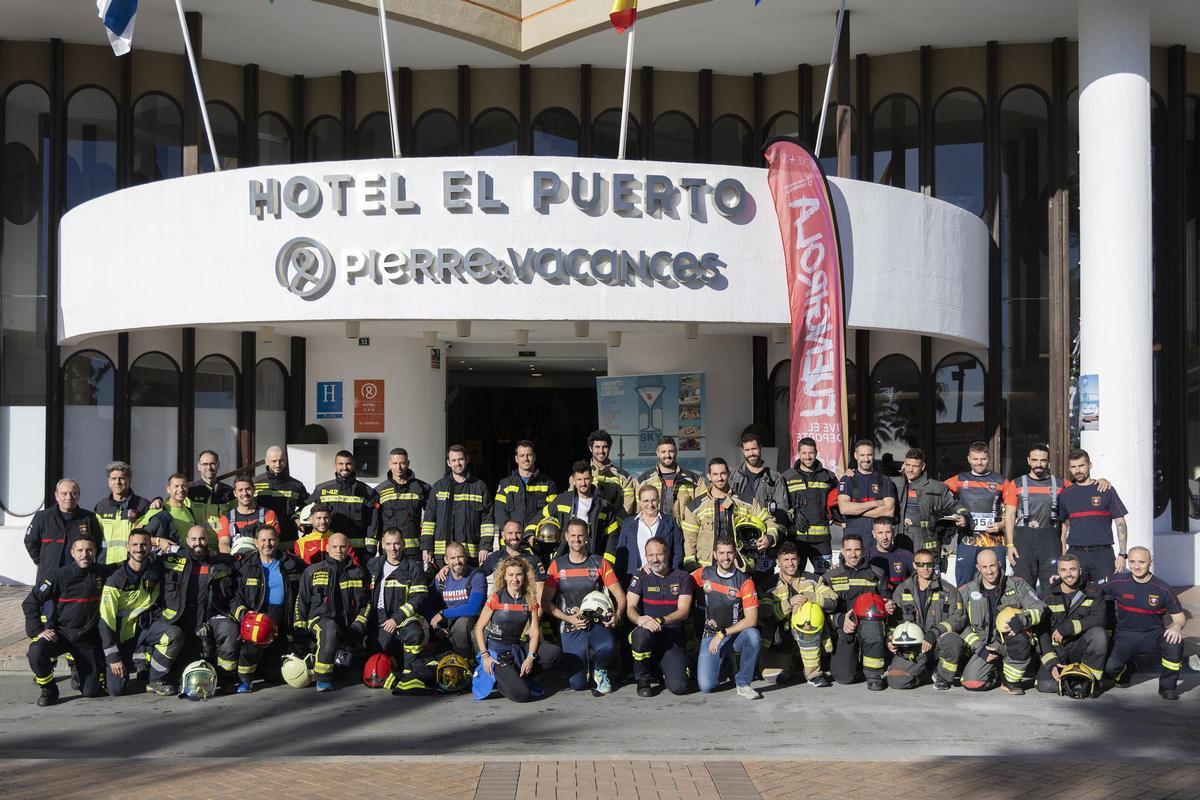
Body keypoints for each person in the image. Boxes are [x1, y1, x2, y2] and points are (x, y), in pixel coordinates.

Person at [543, 518, 626, 695]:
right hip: (571, 626)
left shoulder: (599, 562)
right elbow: (545, 602)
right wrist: (567, 618)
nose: (576, 539)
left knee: (609, 646)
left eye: (581, 535)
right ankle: (585, 661)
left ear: (587, 537)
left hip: (596, 623)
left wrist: (617, 616)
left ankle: (600, 668)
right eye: (572, 535)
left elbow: (620, 595)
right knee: (578, 685)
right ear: (566, 537)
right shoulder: (557, 565)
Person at [23, 534, 106, 706]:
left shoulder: (103, 572)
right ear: (73, 553)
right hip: (61, 634)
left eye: (89, 550)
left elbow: (130, 567)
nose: (85, 554)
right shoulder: (58, 576)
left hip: (87, 639)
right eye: (80, 550)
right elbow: (30, 602)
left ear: (95, 551)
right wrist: (38, 630)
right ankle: (49, 689)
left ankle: (79, 670)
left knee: (91, 692)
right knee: (36, 652)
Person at [158, 525, 240, 688]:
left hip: (211, 616)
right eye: (194, 539)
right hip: (182, 617)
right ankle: (158, 675)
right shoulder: (174, 561)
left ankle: (227, 677)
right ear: (187, 541)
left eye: (202, 539)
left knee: (229, 630)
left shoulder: (220, 562)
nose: (198, 543)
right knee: (185, 666)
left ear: (208, 540)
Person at [1099, 546, 1185, 701]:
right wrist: (1059, 580)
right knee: (1111, 669)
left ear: (1150, 563)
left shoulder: (1163, 588)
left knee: (1174, 642)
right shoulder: (1117, 581)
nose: (1136, 566)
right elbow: (1091, 587)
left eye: (1141, 562)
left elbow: (1179, 617)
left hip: (1153, 635)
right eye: (1132, 562)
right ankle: (1127, 671)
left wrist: (1176, 627)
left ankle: (1167, 687)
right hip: (1125, 636)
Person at [959, 548, 1046, 695]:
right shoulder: (967, 591)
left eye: (992, 565)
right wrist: (979, 648)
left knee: (1020, 639)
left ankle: (1010, 681)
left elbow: (1041, 608)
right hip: (985, 647)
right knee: (972, 682)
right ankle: (997, 672)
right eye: (984, 567)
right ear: (977, 568)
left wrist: (1022, 620)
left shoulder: (1017, 584)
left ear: (999, 564)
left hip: (1011, 642)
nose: (989, 571)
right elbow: (959, 623)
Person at [473, 555, 560, 702]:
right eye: (511, 575)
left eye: (519, 574)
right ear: (504, 577)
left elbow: (534, 632)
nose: (515, 579)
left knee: (554, 652)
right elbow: (479, 629)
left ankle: (525, 674)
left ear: (524, 576)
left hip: (516, 649)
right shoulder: (495, 597)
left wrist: (530, 657)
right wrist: (485, 656)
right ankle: (498, 679)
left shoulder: (530, 599)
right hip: (496, 655)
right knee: (522, 695)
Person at [230, 523, 305, 692]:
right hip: (256, 617)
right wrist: (243, 614)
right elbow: (234, 596)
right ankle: (245, 681)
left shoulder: (292, 563)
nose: (267, 544)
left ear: (277, 541)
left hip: (283, 617)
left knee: (274, 676)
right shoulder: (246, 566)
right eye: (263, 540)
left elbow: (305, 590)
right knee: (249, 650)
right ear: (256, 543)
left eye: (271, 539)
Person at [295, 533, 370, 691]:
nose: (339, 550)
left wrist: (358, 625)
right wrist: (300, 630)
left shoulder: (359, 573)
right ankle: (322, 679)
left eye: (342, 546)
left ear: (348, 548)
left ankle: (330, 663)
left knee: (340, 674)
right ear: (327, 548)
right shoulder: (312, 571)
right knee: (330, 629)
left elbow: (367, 603)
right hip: (319, 621)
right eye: (334, 547)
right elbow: (301, 601)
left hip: (349, 628)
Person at [99, 528, 169, 696]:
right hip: (122, 638)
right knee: (116, 690)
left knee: (174, 634)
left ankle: (154, 678)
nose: (139, 549)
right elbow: (105, 621)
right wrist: (113, 657)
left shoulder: (155, 570)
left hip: (145, 630)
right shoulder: (116, 579)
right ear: (128, 547)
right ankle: (115, 665)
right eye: (135, 544)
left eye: (144, 544)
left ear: (150, 548)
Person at [682, 457, 778, 578]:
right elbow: (689, 540)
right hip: (706, 569)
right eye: (715, 474)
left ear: (728, 474)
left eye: (723, 473)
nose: (720, 478)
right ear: (709, 476)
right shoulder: (695, 506)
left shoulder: (746, 502)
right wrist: (692, 567)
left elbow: (769, 521)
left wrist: (769, 537)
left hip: (739, 568)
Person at [692, 536, 762, 699]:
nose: (726, 557)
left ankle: (743, 684)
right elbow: (680, 581)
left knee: (753, 635)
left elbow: (752, 620)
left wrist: (723, 633)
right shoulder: (704, 573)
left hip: (734, 636)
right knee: (706, 686)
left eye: (730, 553)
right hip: (710, 636)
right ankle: (726, 663)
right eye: (722, 553)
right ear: (715, 554)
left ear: (735, 554)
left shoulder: (744, 581)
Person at [887, 548, 966, 690]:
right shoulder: (902, 590)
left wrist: (934, 632)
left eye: (929, 564)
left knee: (953, 640)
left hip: (937, 644)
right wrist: (890, 638)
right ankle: (924, 675)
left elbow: (958, 618)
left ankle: (943, 676)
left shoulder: (948, 590)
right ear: (914, 565)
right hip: (913, 648)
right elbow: (894, 622)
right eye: (921, 564)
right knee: (896, 681)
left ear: (934, 565)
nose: (925, 568)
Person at [759, 542, 836, 687]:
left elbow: (832, 601)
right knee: (774, 678)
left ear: (799, 560)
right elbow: (765, 614)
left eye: (793, 559)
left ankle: (813, 674)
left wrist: (809, 596)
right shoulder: (768, 585)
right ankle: (791, 662)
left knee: (808, 610)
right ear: (778, 562)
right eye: (786, 560)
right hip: (780, 638)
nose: (790, 563)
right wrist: (789, 603)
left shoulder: (813, 579)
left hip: (809, 634)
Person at [821, 533, 891, 689]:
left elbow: (886, 599)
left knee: (872, 628)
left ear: (863, 550)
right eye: (849, 550)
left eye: (857, 550)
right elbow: (823, 611)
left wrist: (889, 606)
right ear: (842, 551)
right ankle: (856, 664)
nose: (853, 554)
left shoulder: (877, 574)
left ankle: (874, 675)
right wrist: (840, 620)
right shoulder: (829, 578)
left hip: (870, 626)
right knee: (844, 677)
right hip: (844, 629)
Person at [626, 536, 694, 697]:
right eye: (650, 555)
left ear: (667, 555)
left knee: (679, 687)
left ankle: (661, 668)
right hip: (649, 634)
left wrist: (661, 620)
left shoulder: (683, 577)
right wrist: (640, 619)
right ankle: (642, 678)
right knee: (640, 634)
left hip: (672, 638)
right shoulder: (640, 576)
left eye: (659, 554)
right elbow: (630, 607)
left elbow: (683, 612)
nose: (655, 559)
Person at [1035, 553, 1108, 694]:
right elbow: (1042, 632)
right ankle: (1073, 682)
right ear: (1058, 572)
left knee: (1099, 634)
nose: (1069, 574)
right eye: (1064, 570)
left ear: (1080, 571)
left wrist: (1069, 627)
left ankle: (1091, 681)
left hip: (1082, 646)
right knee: (1045, 685)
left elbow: (1100, 619)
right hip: (1058, 649)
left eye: (1073, 569)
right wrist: (1051, 663)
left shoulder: (1093, 591)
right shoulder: (1047, 595)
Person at [1004, 444, 1068, 594]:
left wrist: (1101, 481)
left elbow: (1082, 489)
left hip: (1051, 541)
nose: (1038, 464)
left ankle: (1051, 617)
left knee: (1053, 587)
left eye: (1043, 460)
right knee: (1024, 588)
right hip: (1023, 542)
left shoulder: (1062, 484)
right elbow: (1009, 516)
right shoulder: (1016, 484)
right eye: (1034, 460)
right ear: (1028, 461)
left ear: (1048, 462)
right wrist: (1009, 545)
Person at [367, 528, 431, 679]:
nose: (393, 548)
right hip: (380, 618)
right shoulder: (373, 565)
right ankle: (395, 661)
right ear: (382, 544)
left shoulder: (413, 568)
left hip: (404, 618)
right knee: (376, 654)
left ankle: (410, 670)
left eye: (396, 544)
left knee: (415, 634)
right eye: (389, 544)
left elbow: (418, 598)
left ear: (403, 544)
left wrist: (396, 618)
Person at [1059, 448, 1128, 583]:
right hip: (1076, 553)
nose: (1077, 470)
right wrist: (1063, 555)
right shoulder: (1065, 495)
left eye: (1081, 465)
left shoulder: (1105, 489)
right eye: (1073, 467)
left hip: (1103, 553)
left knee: (1107, 595)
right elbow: (1063, 527)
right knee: (1077, 597)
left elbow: (1120, 522)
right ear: (1069, 469)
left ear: (1090, 465)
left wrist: (1122, 554)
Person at [944, 441, 1006, 585]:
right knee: (965, 583)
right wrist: (957, 515)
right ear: (969, 459)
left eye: (983, 459)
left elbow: (1013, 508)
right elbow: (939, 493)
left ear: (989, 459)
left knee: (997, 581)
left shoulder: (1001, 480)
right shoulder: (959, 479)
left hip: (993, 539)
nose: (979, 463)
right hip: (967, 539)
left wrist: (1001, 524)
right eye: (975, 459)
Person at [423, 444, 495, 566]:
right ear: (448, 463)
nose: (458, 463)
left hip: (470, 554)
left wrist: (485, 546)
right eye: (454, 460)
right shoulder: (439, 487)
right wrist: (426, 546)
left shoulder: (479, 487)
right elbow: (429, 520)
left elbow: (487, 521)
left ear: (467, 459)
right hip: (443, 555)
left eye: (460, 459)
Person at [24, 478, 105, 584]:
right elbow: (30, 541)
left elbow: (97, 545)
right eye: (64, 493)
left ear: (79, 495)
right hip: (49, 577)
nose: (69, 497)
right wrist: (43, 562)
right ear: (56, 495)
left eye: (73, 493)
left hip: (79, 578)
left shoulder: (89, 518)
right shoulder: (42, 517)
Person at [541, 460, 621, 558]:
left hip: (592, 557)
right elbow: (542, 515)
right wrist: (530, 533)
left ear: (592, 478)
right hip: (565, 557)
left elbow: (613, 537)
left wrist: (607, 562)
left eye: (586, 479)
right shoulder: (562, 500)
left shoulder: (604, 506)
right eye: (579, 479)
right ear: (573, 480)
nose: (583, 483)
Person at [782, 437, 839, 575]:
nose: (808, 457)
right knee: (795, 576)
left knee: (825, 577)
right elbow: (782, 504)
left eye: (811, 453)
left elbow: (837, 502)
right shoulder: (786, 477)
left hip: (822, 541)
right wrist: (792, 514)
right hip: (796, 539)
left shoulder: (829, 477)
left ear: (816, 452)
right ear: (799, 454)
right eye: (804, 453)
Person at [611, 484, 684, 586]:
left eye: (653, 500)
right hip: (632, 581)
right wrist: (619, 582)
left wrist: (673, 576)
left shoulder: (670, 522)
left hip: (663, 581)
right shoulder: (628, 524)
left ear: (658, 500)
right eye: (646, 501)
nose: (650, 505)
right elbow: (621, 554)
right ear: (640, 502)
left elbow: (678, 553)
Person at [311, 450, 380, 557]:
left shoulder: (367, 491)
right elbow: (307, 510)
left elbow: (373, 522)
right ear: (335, 465)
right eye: (341, 464)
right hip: (330, 550)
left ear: (354, 465)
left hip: (358, 551)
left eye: (348, 464)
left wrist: (371, 549)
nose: (345, 467)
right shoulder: (322, 490)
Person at [371, 447, 431, 565]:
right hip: (389, 552)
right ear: (389, 464)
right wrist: (372, 548)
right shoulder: (379, 491)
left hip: (413, 552)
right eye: (395, 463)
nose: (398, 467)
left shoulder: (423, 488)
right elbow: (374, 523)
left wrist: (427, 546)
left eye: (402, 463)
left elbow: (431, 518)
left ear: (408, 463)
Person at [893, 448, 958, 555]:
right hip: (898, 538)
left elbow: (954, 506)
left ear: (923, 467)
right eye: (908, 465)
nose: (910, 469)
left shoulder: (937, 487)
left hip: (925, 542)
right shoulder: (893, 484)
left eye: (915, 466)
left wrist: (964, 516)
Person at [431, 541, 487, 658]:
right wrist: (438, 628)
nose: (457, 561)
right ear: (446, 560)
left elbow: (472, 609)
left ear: (466, 557)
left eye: (460, 557)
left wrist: (443, 613)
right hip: (448, 623)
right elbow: (426, 603)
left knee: (461, 624)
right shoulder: (441, 579)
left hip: (471, 622)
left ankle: (465, 661)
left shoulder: (476, 577)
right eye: (452, 558)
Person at [93, 461, 154, 566]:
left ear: (129, 480)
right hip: (104, 564)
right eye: (113, 479)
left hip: (133, 564)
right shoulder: (101, 507)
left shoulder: (142, 505)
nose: (118, 482)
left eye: (122, 478)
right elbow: (95, 537)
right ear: (108, 481)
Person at [836, 439, 898, 541]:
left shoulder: (885, 481)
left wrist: (856, 511)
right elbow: (844, 508)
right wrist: (876, 503)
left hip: (878, 540)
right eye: (862, 455)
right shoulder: (847, 480)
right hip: (853, 538)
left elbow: (889, 511)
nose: (866, 459)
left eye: (869, 455)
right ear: (856, 456)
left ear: (874, 455)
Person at [494, 440, 557, 536]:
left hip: (536, 538)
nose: (526, 458)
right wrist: (511, 531)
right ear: (516, 459)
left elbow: (551, 512)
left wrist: (531, 530)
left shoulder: (548, 484)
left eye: (529, 455)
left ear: (534, 457)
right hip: (512, 540)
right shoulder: (505, 485)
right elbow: (499, 511)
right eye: (522, 455)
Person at [635, 435, 705, 521]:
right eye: (663, 452)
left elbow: (703, 509)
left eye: (671, 451)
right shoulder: (644, 481)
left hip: (682, 532)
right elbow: (638, 511)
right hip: (654, 531)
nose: (667, 455)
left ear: (676, 452)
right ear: (657, 453)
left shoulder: (694, 480)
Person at [728, 432, 789, 531]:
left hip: (765, 532)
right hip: (738, 531)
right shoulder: (734, 475)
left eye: (754, 449)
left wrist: (774, 534)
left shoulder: (775, 477)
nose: (751, 453)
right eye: (747, 450)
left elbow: (782, 509)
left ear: (760, 448)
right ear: (742, 451)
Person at [253, 445, 310, 549]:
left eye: (281, 460)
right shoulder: (255, 483)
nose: (278, 464)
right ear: (266, 461)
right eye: (274, 461)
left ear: (286, 460)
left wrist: (297, 517)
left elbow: (307, 504)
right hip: (262, 538)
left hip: (288, 536)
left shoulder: (296, 485)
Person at [217, 475, 280, 555]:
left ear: (254, 490)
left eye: (248, 489)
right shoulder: (226, 518)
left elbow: (274, 541)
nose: (245, 493)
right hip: (236, 562)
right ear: (235, 493)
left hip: (262, 562)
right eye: (240, 490)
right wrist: (231, 561)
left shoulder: (268, 514)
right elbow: (223, 544)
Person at [480, 519, 547, 590]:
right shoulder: (495, 557)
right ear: (503, 535)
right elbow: (477, 575)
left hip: (525, 600)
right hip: (500, 600)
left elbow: (540, 593)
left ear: (522, 534)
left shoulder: (533, 560)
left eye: (518, 533)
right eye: (510, 533)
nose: (514, 537)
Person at [188, 450, 236, 546]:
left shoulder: (228, 491)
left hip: (221, 545)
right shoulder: (190, 490)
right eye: (205, 464)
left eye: (212, 464)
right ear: (199, 466)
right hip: (197, 546)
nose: (209, 467)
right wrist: (157, 499)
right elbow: (172, 504)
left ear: (218, 465)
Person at [144, 473, 203, 551]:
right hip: (164, 560)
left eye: (184, 486)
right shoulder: (158, 509)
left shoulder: (190, 511)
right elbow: (138, 537)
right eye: (176, 486)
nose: (181, 489)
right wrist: (158, 541)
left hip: (186, 559)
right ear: (168, 489)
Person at [587, 429, 635, 517]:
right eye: (597, 447)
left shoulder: (624, 477)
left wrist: (615, 525)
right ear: (590, 448)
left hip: (613, 528)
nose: (601, 451)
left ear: (609, 448)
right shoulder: (580, 474)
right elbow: (574, 503)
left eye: (605, 447)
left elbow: (627, 508)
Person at [295, 503, 360, 566]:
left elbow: (355, 566)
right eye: (319, 518)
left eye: (326, 518)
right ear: (311, 520)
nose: (323, 521)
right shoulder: (301, 543)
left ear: (330, 519)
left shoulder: (340, 540)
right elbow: (299, 571)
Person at [867, 519, 913, 591]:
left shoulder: (907, 556)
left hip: (899, 600)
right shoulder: (867, 556)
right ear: (873, 534)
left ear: (893, 532)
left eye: (888, 532)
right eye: (880, 533)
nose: (885, 537)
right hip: (875, 600)